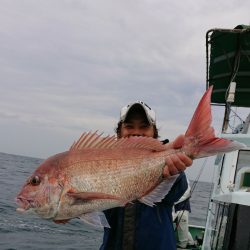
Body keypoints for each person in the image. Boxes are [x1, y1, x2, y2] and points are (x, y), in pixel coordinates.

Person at [99, 101, 193, 250]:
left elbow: (176, 192)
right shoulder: (102, 166)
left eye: (144, 126)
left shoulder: (166, 162)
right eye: (129, 126)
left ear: (154, 134)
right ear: (119, 133)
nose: (136, 132)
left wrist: (174, 173)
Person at [173, 178, 195, 249]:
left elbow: (188, 193)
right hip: (176, 209)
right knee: (183, 227)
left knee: (182, 227)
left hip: (182, 208)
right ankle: (191, 242)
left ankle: (184, 245)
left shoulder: (184, 180)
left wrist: (173, 201)